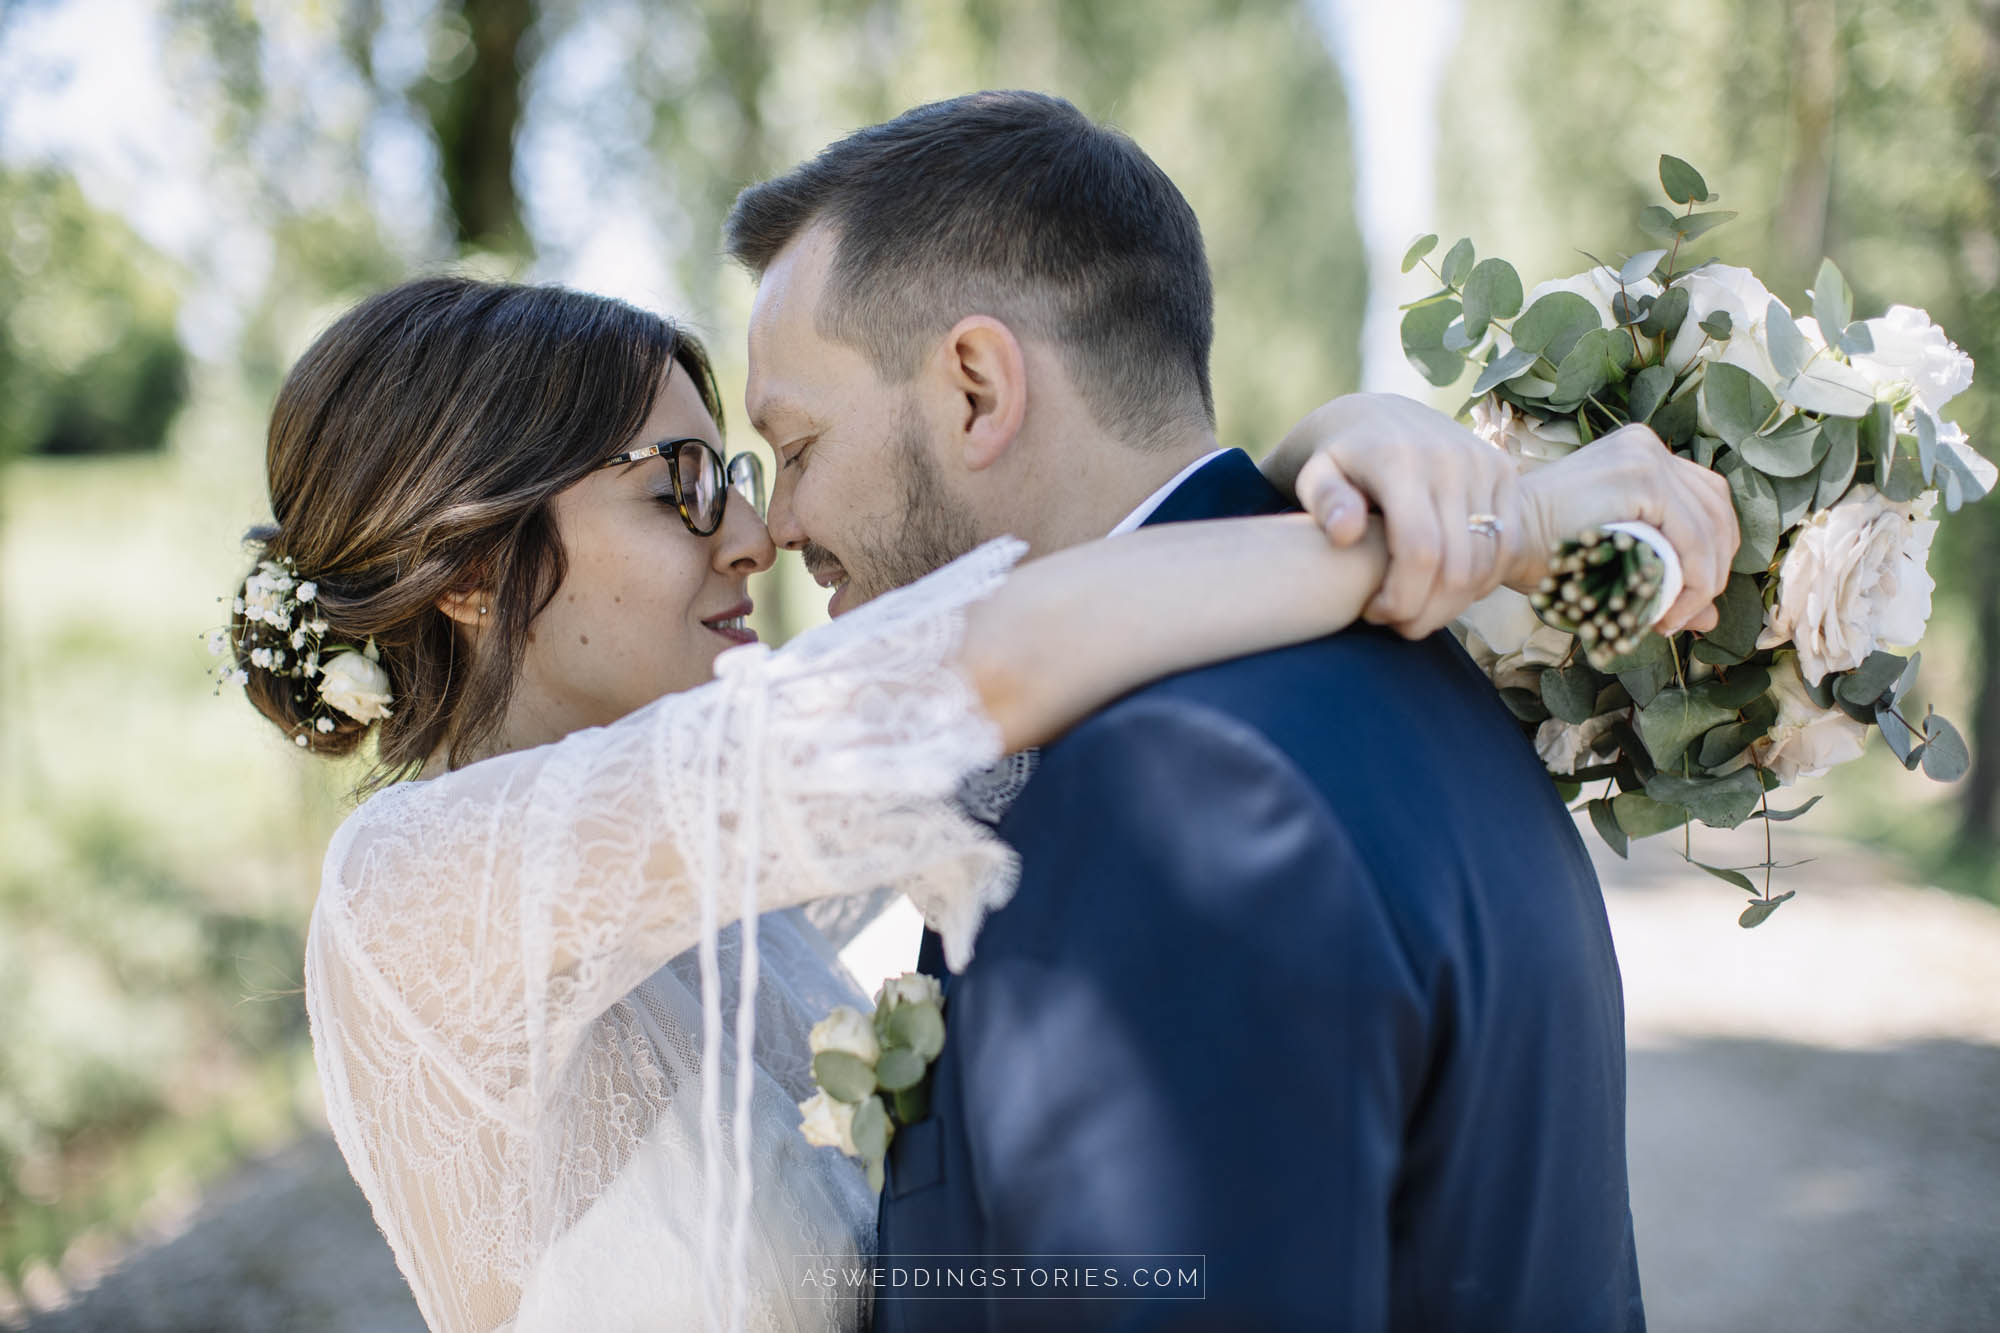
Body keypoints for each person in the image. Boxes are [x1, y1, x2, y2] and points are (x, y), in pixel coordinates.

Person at [232, 276, 1687, 1333]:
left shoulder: (724, 870)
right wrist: (1496, 532)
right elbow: (985, 661)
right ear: (470, 566)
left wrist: (1340, 449)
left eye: (739, 472)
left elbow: (1094, 626)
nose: (754, 534)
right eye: (680, 486)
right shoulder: (413, 892)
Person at [724, 90, 1738, 1330]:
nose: (774, 527)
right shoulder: (1423, 683)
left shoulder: (1162, 794)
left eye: (797, 444)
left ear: (978, 390)